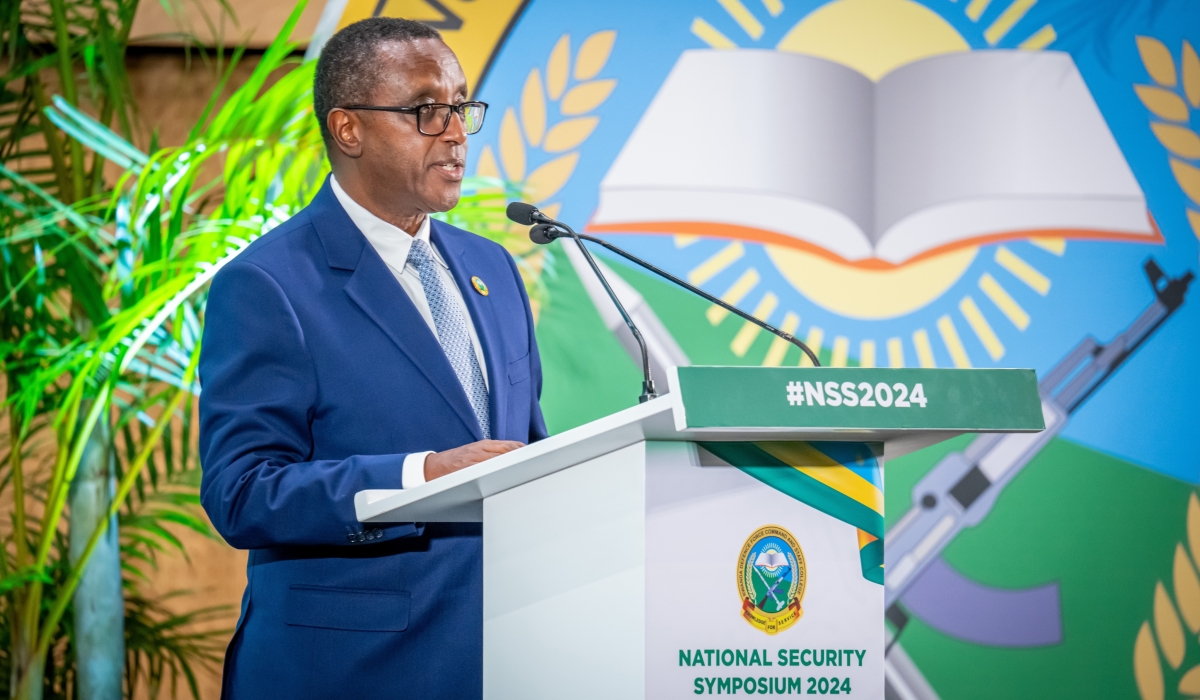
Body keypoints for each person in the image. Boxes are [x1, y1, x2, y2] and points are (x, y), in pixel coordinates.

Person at [197, 17, 547, 699]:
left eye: (460, 106)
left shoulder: (493, 268)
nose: (454, 132)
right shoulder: (269, 285)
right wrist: (421, 476)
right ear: (348, 128)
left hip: (501, 660)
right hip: (351, 671)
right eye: (425, 110)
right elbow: (242, 493)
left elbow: (524, 450)